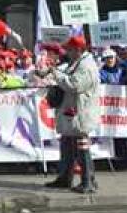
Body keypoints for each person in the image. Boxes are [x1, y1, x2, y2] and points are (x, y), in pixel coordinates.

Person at [42, 35, 101, 193]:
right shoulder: (76, 63)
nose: (66, 52)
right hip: (71, 111)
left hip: (81, 112)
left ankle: (88, 181)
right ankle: (64, 178)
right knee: (67, 144)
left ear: (78, 50)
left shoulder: (86, 66)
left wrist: (58, 75)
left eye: (69, 49)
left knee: (82, 145)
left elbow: (75, 85)